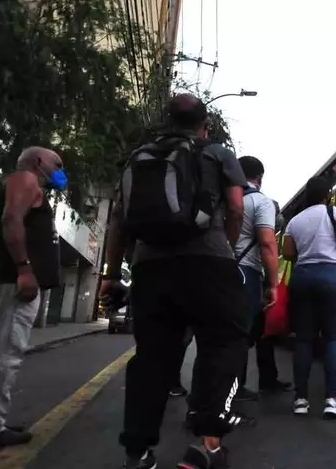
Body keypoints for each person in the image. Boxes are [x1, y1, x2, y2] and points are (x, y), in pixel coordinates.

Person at [101, 93, 249, 469]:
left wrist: (110, 274)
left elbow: (117, 221)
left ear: (167, 120)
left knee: (152, 358)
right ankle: (209, 443)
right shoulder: (218, 153)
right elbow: (235, 207)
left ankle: (137, 453)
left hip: (150, 267)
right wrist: (226, 248)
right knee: (224, 345)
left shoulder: (141, 156)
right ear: (206, 124)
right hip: (209, 264)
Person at [0, 147, 65, 448]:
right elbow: (11, 218)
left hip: (8, 283)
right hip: (10, 283)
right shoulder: (25, 179)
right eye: (58, 165)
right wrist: (24, 270)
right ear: (39, 162)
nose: (60, 172)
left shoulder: (25, 183)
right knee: (1, 355)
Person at [282, 176, 336, 418]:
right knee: (334, 339)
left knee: (304, 340)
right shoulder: (332, 211)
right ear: (328, 195)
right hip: (332, 276)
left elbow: (288, 253)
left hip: (303, 277)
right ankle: (333, 398)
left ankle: (301, 399)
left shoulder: (295, 220)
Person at [235, 156, 290, 401]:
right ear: (260, 176)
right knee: (241, 335)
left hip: (225, 270)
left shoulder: (225, 199)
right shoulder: (260, 201)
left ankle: (260, 381)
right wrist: (273, 285)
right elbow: (268, 244)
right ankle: (233, 392)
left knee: (252, 331)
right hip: (247, 273)